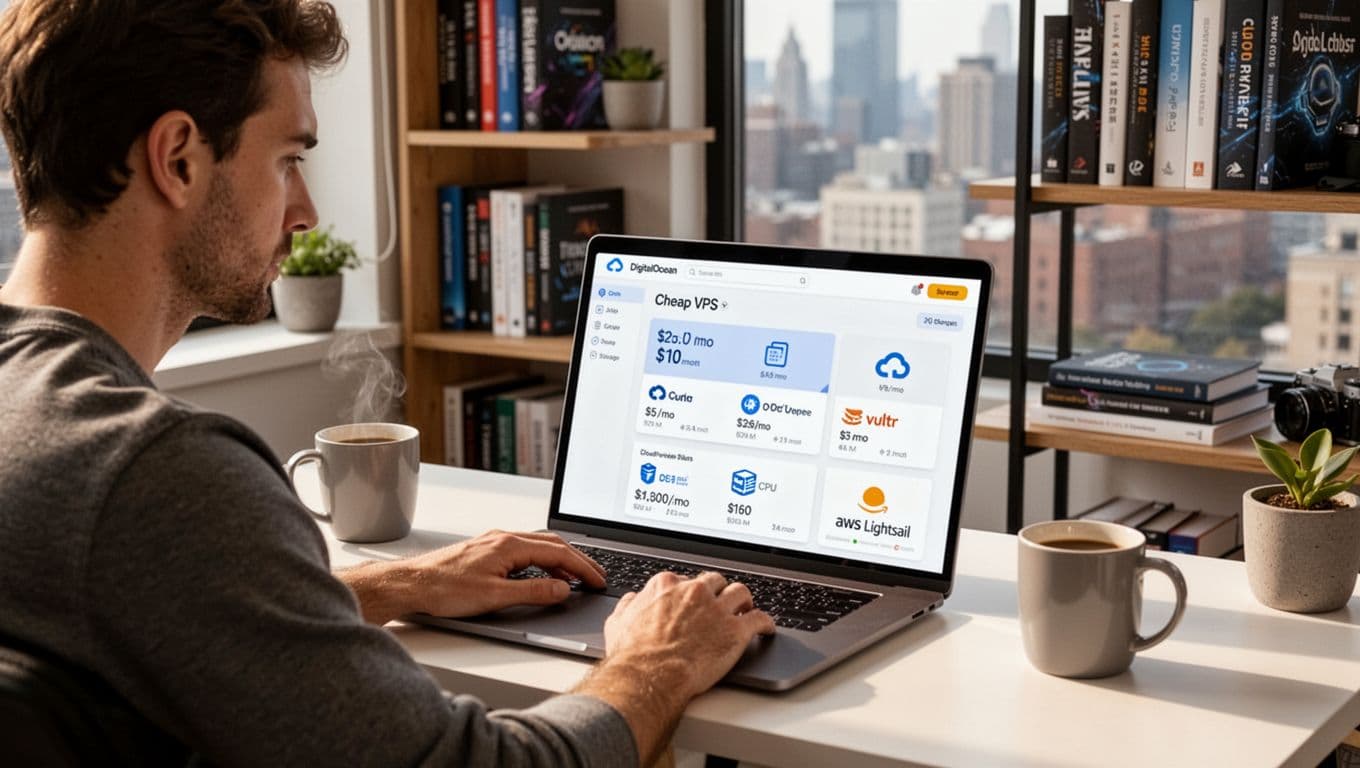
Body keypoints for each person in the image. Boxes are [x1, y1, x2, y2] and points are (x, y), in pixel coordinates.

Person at [0, 1, 774, 765]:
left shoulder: (37, 413)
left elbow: (146, 611)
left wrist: (392, 586)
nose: (303, 211)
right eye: (287, 159)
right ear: (178, 160)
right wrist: (659, 659)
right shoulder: (157, 471)